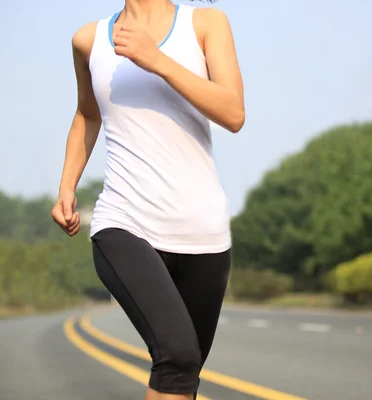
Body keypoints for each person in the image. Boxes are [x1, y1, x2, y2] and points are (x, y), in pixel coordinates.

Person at [50, 0, 244, 399]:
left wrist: (156, 60)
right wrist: (67, 186)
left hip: (202, 232)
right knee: (177, 355)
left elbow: (233, 113)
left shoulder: (205, 23)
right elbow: (87, 114)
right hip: (124, 221)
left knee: (180, 373)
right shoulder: (88, 40)